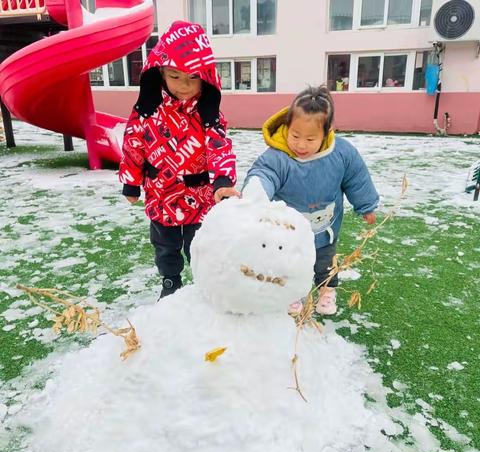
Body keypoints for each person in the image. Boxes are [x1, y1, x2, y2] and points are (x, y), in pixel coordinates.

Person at [119, 21, 239, 298]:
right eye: (175, 76)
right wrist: (131, 182)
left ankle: (204, 285)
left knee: (201, 245)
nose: (184, 85)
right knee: (165, 245)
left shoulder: (208, 112)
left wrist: (222, 180)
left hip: (200, 195)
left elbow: (220, 146)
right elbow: (133, 144)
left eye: (192, 77)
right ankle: (170, 281)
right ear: (160, 71)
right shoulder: (147, 111)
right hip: (161, 194)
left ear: (206, 75)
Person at [244, 85, 379, 315]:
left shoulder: (341, 153)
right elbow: (264, 174)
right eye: (295, 135)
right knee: (291, 263)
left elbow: (357, 178)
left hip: (324, 229)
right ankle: (293, 293)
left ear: (326, 134)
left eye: (310, 138)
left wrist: (366, 205)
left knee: (325, 263)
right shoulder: (279, 157)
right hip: (289, 232)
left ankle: (327, 291)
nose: (301, 144)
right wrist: (255, 193)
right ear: (287, 127)